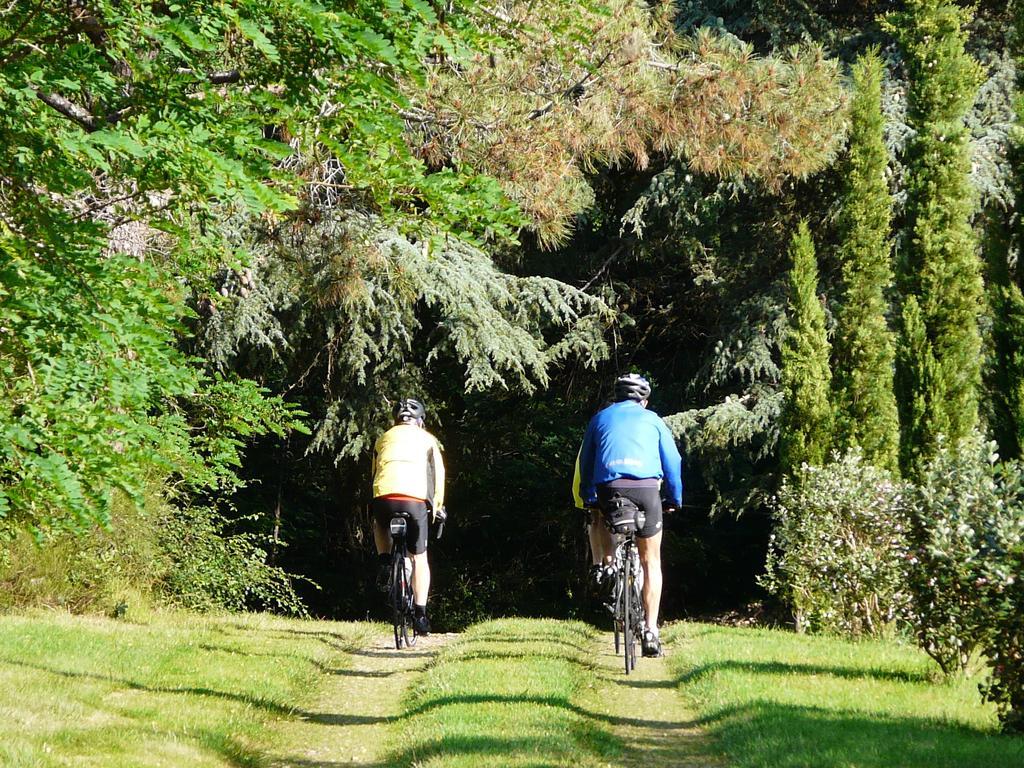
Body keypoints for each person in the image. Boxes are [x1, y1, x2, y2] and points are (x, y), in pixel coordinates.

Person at [578, 373, 683, 657]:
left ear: (616, 397)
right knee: (651, 562)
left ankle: (609, 566)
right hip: (648, 490)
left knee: (601, 519)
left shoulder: (600, 418)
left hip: (610, 489)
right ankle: (651, 630)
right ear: (644, 401)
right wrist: (675, 498)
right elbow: (673, 461)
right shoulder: (654, 420)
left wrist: (589, 496)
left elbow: (586, 461)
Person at [371, 397, 446, 636]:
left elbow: (374, 473)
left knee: (379, 524)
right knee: (419, 558)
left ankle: (384, 560)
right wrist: (438, 507)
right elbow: (438, 477)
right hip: (415, 501)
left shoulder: (383, 438)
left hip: (384, 497)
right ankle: (421, 616)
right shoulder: (428, 440)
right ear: (420, 420)